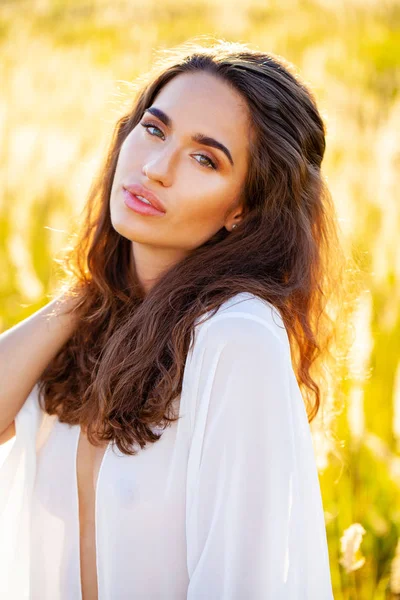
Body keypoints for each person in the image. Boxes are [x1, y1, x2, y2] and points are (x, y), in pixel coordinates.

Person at [0, 38, 348, 599]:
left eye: (205, 158)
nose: (156, 169)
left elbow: (240, 584)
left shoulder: (236, 338)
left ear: (244, 208)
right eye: (154, 130)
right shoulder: (92, 330)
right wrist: (89, 293)